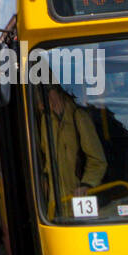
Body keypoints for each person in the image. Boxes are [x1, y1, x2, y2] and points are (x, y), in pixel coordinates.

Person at [37, 86, 106, 218]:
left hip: (79, 195)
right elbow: (47, 158)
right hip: (55, 201)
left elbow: (97, 160)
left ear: (56, 92)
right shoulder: (46, 120)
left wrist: (87, 184)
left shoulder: (78, 117)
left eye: (45, 93)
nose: (40, 101)